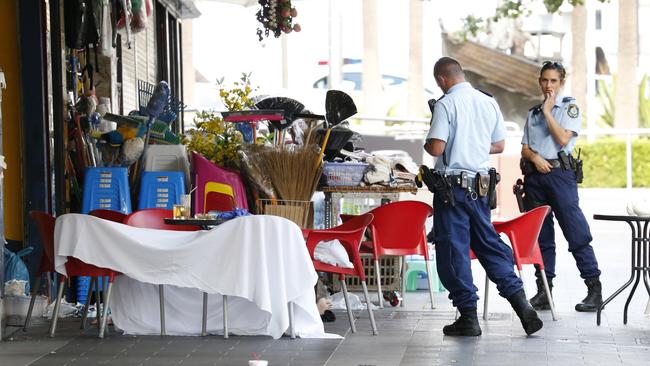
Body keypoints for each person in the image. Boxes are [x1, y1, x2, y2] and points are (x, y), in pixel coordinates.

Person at [423, 57, 542, 336]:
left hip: (452, 191)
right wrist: (472, 145)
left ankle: (468, 316)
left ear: (441, 79)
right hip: (481, 189)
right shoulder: (488, 102)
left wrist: (432, 140)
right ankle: (523, 306)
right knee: (489, 245)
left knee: (453, 252)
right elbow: (499, 145)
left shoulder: (445, 104)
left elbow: (437, 148)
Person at [520, 61, 602, 312]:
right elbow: (524, 147)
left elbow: (563, 138)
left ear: (561, 83)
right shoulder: (532, 113)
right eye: (544, 80)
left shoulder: (569, 108)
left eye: (553, 81)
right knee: (541, 237)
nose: (548, 85)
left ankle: (594, 288)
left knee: (576, 231)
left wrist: (548, 111)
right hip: (536, 178)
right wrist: (534, 158)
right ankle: (544, 291)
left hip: (560, 176)